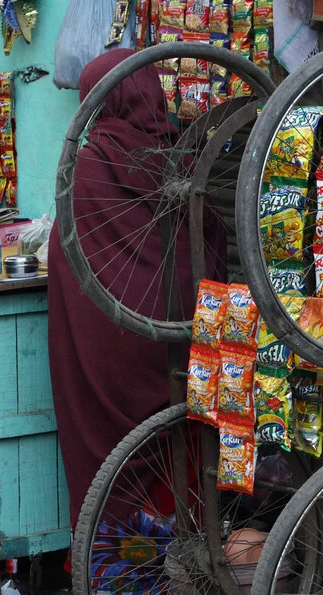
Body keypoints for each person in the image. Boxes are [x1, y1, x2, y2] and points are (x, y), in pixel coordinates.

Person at [48, 49, 226, 534]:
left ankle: (126, 589)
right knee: (184, 449)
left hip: (112, 357)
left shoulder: (90, 164)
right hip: (183, 342)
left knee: (116, 466)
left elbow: (68, 261)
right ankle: (192, 556)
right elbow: (211, 244)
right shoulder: (185, 158)